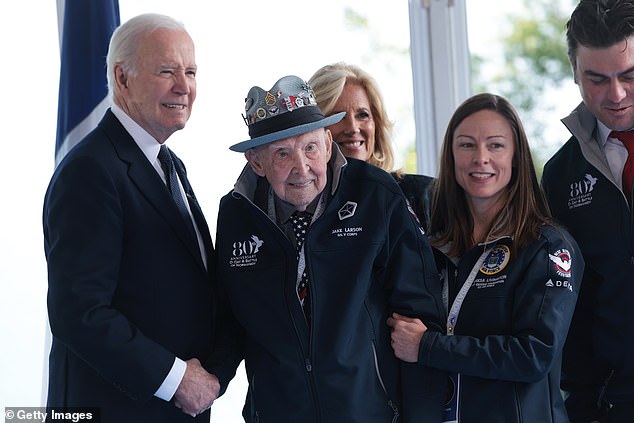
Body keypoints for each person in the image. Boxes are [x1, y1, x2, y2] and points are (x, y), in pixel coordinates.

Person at [207, 75, 446, 422]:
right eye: (282, 153)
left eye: (310, 148)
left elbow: (420, 314)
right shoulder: (236, 215)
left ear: (327, 141)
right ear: (256, 162)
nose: (301, 168)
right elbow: (229, 317)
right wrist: (212, 375)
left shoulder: (375, 194)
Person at [43, 13, 219, 422]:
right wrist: (177, 380)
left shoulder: (169, 163)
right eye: (167, 71)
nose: (184, 86)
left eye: (190, 71)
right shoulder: (90, 170)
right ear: (122, 78)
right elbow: (80, 314)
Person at [388, 93, 584, 422]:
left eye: (495, 145)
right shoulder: (431, 248)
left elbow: (534, 355)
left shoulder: (548, 246)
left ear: (516, 156)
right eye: (466, 145)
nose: (481, 158)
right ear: (450, 156)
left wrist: (428, 347)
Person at [541, 1, 634, 421]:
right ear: (575, 73)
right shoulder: (560, 175)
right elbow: (567, 301)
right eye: (597, 79)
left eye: (630, 75)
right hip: (609, 402)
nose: (615, 95)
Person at [308, 62, 434, 229]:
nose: (353, 128)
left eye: (362, 115)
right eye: (337, 117)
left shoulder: (423, 195)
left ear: (377, 125)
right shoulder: (299, 206)